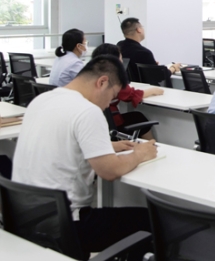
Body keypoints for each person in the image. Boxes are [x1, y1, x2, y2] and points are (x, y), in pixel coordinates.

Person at [12, 55, 158, 261]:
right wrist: (139, 154)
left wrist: (105, 146)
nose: (107, 105)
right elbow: (109, 171)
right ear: (102, 82)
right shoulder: (88, 111)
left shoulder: (41, 100)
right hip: (68, 224)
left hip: (28, 217)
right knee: (150, 220)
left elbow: (60, 140)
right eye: (111, 96)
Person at [92, 43, 164, 140]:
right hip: (112, 125)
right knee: (139, 119)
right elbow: (131, 95)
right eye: (121, 58)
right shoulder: (113, 79)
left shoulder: (93, 75)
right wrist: (152, 90)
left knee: (136, 116)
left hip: (98, 125)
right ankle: (152, 145)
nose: (122, 61)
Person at [117, 18, 181, 83]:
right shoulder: (144, 53)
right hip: (144, 86)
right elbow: (159, 76)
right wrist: (173, 67)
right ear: (139, 30)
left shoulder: (119, 46)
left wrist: (152, 64)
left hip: (129, 84)